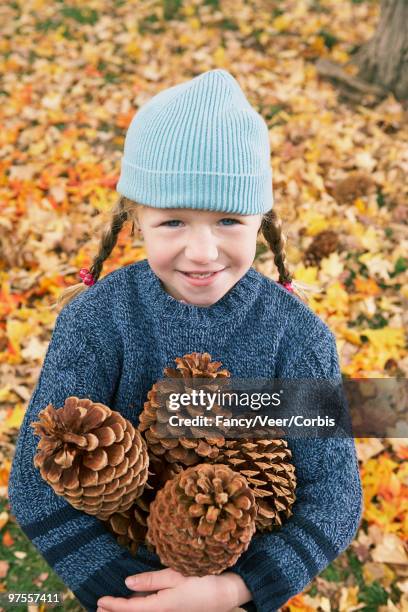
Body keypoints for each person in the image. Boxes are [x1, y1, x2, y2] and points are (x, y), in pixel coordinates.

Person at [8, 69, 363, 612]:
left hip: (237, 588)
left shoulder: (295, 338)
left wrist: (237, 588)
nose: (202, 252)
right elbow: (38, 479)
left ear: (261, 220)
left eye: (227, 220)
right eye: (173, 222)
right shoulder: (99, 322)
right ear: (135, 219)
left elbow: (334, 493)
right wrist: (125, 592)